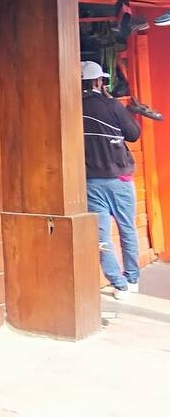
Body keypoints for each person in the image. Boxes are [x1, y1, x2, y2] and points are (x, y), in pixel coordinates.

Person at [81, 60, 142, 300]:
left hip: (91, 181)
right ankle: (132, 279)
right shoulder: (112, 105)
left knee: (102, 237)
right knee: (127, 229)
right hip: (120, 178)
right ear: (98, 81)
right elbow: (134, 135)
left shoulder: (72, 107)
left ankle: (119, 283)